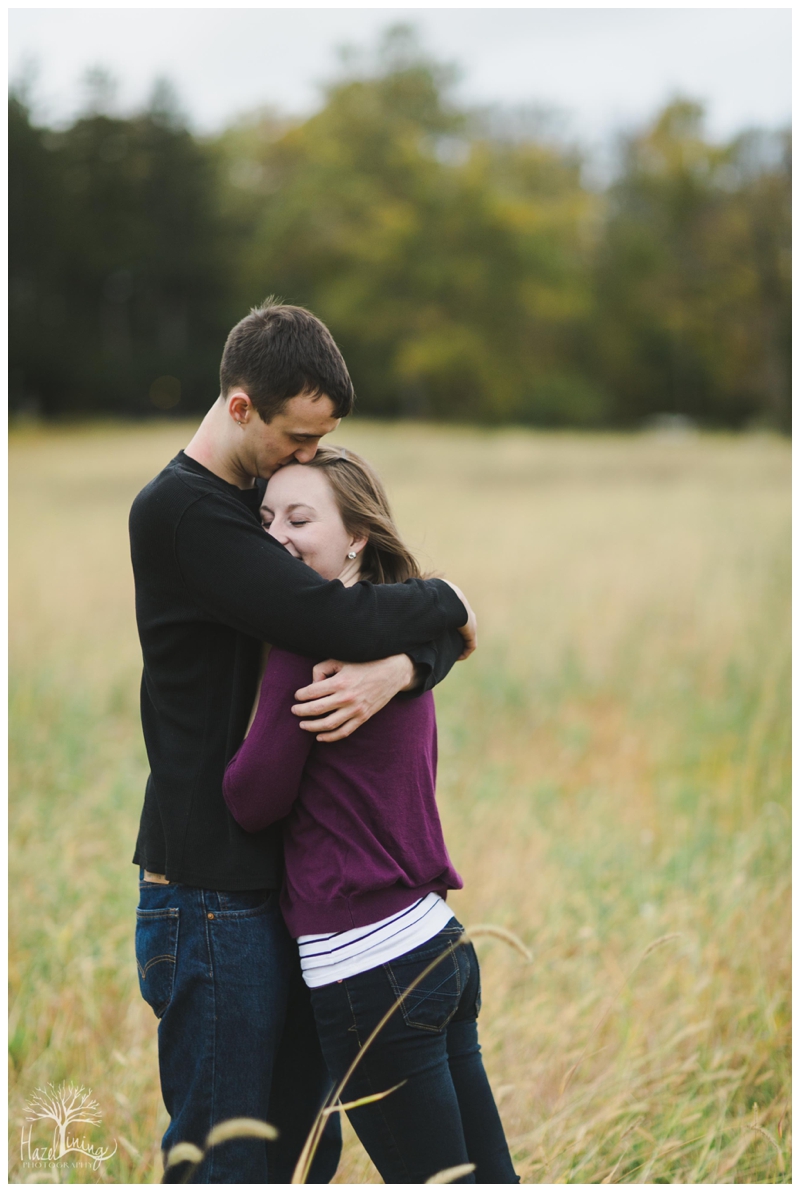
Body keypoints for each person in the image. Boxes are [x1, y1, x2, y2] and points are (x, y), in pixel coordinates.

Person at [129, 301, 478, 1183]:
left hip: (283, 891)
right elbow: (324, 615)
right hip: (211, 893)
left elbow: (352, 613)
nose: (307, 460)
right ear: (242, 408)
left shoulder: (263, 499)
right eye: (295, 438)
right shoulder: (183, 514)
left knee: (298, 1156)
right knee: (227, 1161)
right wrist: (451, 603)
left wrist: (401, 668)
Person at [223, 446, 518, 1185]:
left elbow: (255, 799)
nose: (278, 536)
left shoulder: (309, 640)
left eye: (300, 518)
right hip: (436, 945)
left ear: (355, 535)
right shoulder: (405, 632)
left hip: (368, 965)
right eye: (265, 521)